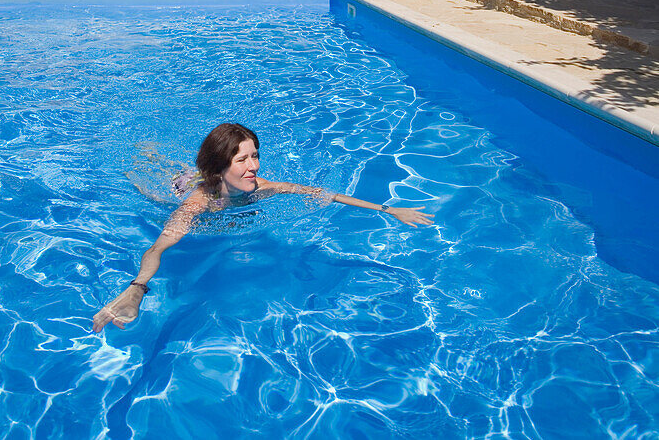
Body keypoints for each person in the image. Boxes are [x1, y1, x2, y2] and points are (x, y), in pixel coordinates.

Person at [92, 122, 433, 333]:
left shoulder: (259, 186)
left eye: (255, 155)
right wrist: (137, 288)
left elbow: (323, 194)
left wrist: (389, 209)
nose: (253, 166)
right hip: (180, 187)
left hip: (210, 178)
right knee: (155, 180)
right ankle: (145, 153)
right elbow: (158, 248)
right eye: (242, 160)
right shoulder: (197, 205)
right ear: (220, 168)